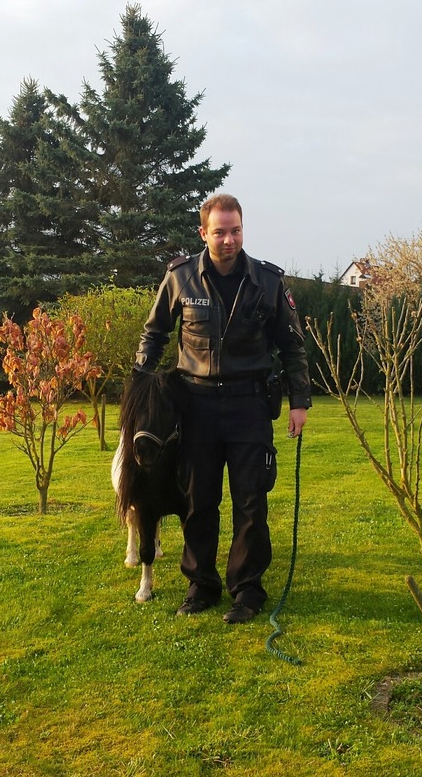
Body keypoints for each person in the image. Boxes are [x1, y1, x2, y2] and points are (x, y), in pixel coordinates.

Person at [134, 193, 311, 624]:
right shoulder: (179, 278)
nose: (228, 239)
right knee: (199, 500)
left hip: (250, 404)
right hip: (195, 405)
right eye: (220, 232)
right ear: (204, 233)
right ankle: (201, 586)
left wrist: (299, 402)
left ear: (241, 231)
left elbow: (292, 346)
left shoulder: (268, 282)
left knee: (251, 502)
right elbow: (154, 333)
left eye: (235, 231)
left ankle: (247, 591)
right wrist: (140, 385)